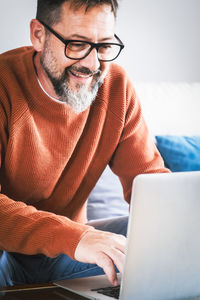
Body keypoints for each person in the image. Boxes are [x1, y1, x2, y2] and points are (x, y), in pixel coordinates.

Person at [0, 0, 169, 288]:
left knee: (168, 232)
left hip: (70, 253)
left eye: (103, 46)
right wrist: (76, 238)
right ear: (38, 35)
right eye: (77, 44)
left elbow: (151, 186)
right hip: (9, 250)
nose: (92, 65)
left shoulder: (116, 86)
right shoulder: (5, 85)